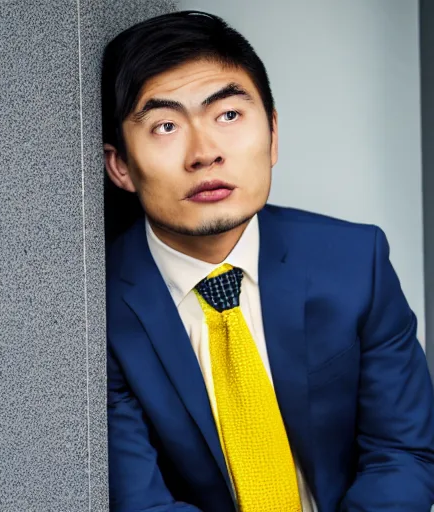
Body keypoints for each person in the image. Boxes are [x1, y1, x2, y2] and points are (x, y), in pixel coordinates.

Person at [102, 10, 434, 512]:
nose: (205, 153)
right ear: (122, 166)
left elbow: (404, 453)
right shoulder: (94, 306)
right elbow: (141, 502)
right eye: (166, 126)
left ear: (273, 134)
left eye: (229, 115)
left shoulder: (354, 261)